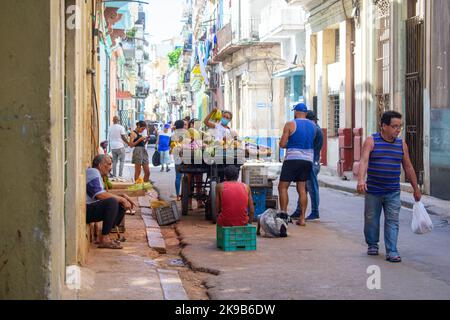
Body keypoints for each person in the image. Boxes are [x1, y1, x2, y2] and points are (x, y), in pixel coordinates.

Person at [358, 111, 421, 263]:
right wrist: (361, 180)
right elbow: (364, 161)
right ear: (384, 126)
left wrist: (416, 188)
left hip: (393, 191)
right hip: (373, 190)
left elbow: (408, 167)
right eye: (394, 126)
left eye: (400, 126)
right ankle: (372, 244)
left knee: (392, 221)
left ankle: (392, 250)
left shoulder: (401, 144)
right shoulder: (371, 141)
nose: (398, 130)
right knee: (371, 220)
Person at [278, 102, 317, 227]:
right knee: (302, 189)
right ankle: (302, 219)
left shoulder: (290, 124)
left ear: (295, 112)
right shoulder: (313, 126)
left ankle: (283, 215)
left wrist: (291, 143)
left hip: (292, 159)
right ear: (305, 113)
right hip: (308, 160)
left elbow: (282, 144)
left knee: (282, 187)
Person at [86, 154, 136, 249]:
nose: (110, 168)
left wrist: (121, 197)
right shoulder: (93, 172)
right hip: (86, 209)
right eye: (108, 164)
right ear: (100, 165)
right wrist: (120, 198)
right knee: (113, 202)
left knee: (118, 202)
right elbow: (100, 195)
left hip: (90, 208)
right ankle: (104, 238)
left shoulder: (97, 174)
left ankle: (105, 234)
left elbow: (103, 194)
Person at [291, 110, 323, 221]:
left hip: (312, 162)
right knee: (302, 188)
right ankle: (299, 211)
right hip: (310, 161)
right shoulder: (315, 129)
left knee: (312, 188)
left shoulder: (315, 130)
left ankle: (315, 212)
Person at [171, 119, 188, 200]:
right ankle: (187, 195)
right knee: (187, 176)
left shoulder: (173, 135)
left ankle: (178, 196)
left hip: (177, 158)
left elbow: (171, 147)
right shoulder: (187, 133)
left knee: (178, 177)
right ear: (183, 125)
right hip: (187, 157)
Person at [108, 116, 128, 181]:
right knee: (122, 161)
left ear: (113, 120)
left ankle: (114, 176)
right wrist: (128, 143)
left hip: (113, 147)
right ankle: (120, 176)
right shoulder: (121, 127)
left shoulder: (110, 127)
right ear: (119, 120)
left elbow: (109, 136)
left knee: (114, 162)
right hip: (120, 146)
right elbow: (123, 137)